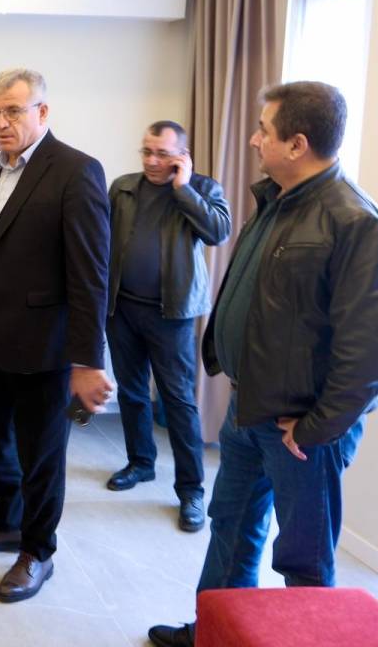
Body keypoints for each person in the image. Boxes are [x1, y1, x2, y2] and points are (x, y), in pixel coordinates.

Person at [148, 81, 378, 647]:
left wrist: (315, 428)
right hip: (249, 407)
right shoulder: (277, 201)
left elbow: (371, 350)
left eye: (264, 130)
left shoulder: (354, 221)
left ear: (297, 144)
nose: (254, 139)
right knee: (231, 527)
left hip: (300, 432)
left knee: (303, 563)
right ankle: (214, 634)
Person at [0, 68, 114, 603]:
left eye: (13, 111)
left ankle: (37, 550)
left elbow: (90, 274)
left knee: (41, 457)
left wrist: (87, 361)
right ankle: (7, 520)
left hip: (46, 347)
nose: (1, 122)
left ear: (42, 112)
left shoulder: (76, 171)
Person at [105, 121, 231, 532]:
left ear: (182, 156)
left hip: (172, 314)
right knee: (131, 392)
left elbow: (217, 232)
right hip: (122, 308)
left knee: (178, 401)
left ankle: (191, 490)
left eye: (162, 153)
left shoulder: (203, 189)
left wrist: (184, 188)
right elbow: (102, 240)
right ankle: (141, 462)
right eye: (147, 151)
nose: (152, 161)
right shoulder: (123, 188)